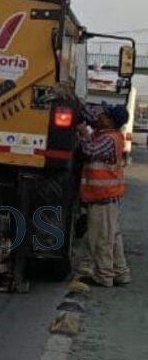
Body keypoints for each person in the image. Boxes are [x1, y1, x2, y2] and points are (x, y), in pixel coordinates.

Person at [76, 103, 131, 287]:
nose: (99, 116)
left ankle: (104, 276)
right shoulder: (106, 134)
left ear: (109, 121)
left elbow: (89, 151)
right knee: (112, 238)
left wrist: (83, 133)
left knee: (101, 240)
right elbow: (92, 119)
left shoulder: (108, 139)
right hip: (107, 198)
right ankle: (120, 273)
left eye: (104, 115)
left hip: (103, 198)